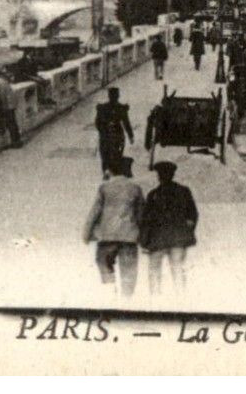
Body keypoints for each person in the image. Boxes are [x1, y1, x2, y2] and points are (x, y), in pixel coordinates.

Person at [84, 156, 144, 297]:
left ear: (110, 170)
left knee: (103, 262)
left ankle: (110, 290)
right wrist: (145, 236)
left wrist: (86, 233)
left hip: (107, 237)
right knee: (129, 272)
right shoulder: (135, 189)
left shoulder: (104, 188)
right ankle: (127, 299)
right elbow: (141, 214)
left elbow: (94, 212)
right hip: (129, 238)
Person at [140, 161, 198, 293]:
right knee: (177, 269)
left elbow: (146, 219)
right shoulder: (183, 191)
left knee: (154, 270)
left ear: (159, 176)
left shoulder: (153, 195)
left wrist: (144, 240)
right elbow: (192, 215)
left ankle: (155, 300)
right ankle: (180, 299)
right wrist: (187, 231)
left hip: (157, 240)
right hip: (178, 239)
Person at [95, 89, 135, 174]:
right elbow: (126, 123)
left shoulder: (102, 108)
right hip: (117, 135)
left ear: (109, 96)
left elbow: (97, 123)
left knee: (105, 155)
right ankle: (114, 171)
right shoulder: (121, 108)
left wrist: (103, 131)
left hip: (107, 136)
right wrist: (131, 136)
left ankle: (106, 171)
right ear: (118, 97)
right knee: (117, 154)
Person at [0, 74, 23, 149]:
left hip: (7, 105)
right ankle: (17, 140)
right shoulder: (4, 81)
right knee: (13, 123)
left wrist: (3, 107)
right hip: (11, 104)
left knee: (10, 124)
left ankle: (15, 142)